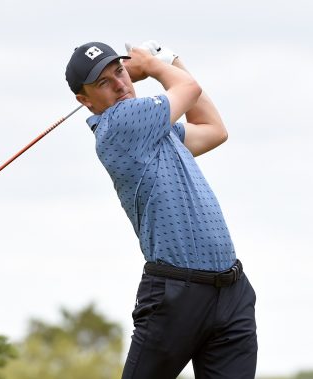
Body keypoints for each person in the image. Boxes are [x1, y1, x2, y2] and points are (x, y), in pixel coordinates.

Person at [65, 40, 257, 379]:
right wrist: (156, 65)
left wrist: (166, 62)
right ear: (85, 101)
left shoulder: (157, 130)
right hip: (176, 295)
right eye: (103, 83)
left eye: (120, 71)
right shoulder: (121, 124)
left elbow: (214, 130)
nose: (119, 84)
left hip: (231, 292)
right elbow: (189, 88)